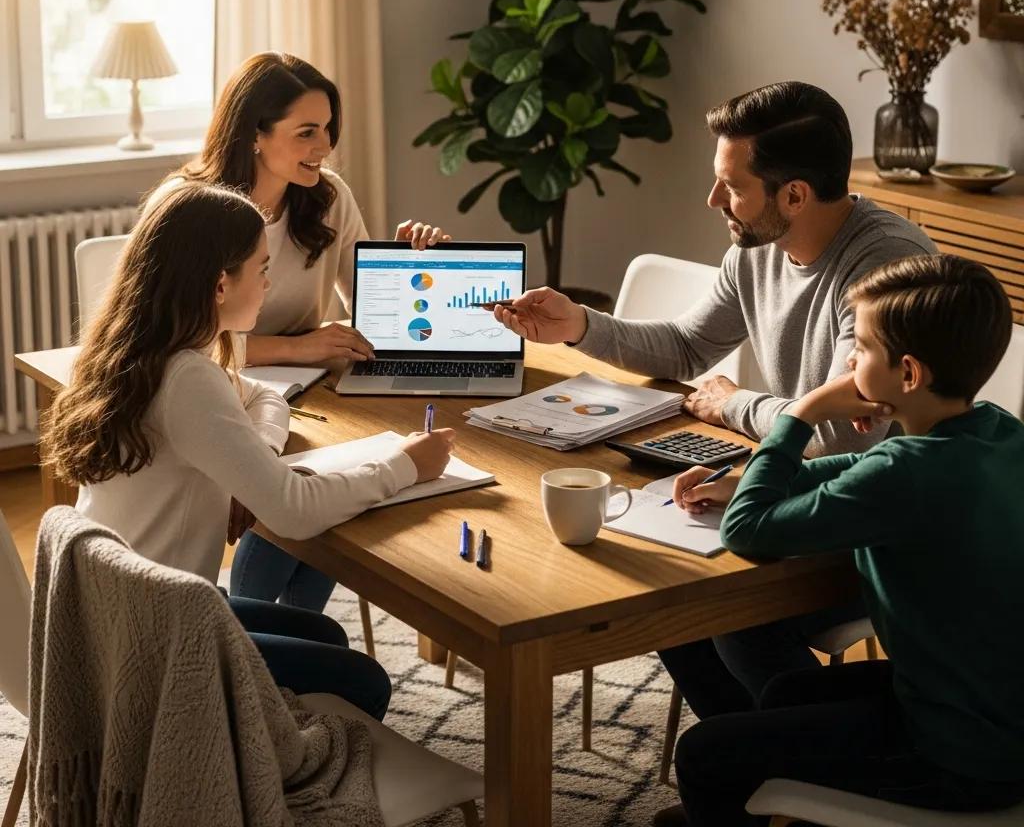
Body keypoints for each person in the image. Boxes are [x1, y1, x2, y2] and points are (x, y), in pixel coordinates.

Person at [492, 82, 937, 713]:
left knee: (730, 612)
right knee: (665, 585)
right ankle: (749, 755)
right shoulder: (760, 250)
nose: (713, 200)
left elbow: (839, 434)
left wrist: (733, 404)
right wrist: (580, 326)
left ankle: (808, 749)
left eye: (731, 186)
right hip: (798, 480)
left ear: (794, 195)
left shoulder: (887, 268)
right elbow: (685, 346)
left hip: (880, 527)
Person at [44, 181, 456, 720]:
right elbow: (293, 511)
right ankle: (256, 767)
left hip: (116, 608)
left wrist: (249, 456)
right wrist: (407, 464)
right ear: (221, 284)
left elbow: (263, 396)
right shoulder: (187, 378)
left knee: (325, 634)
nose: (268, 284)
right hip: (160, 633)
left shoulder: (143, 349)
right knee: (365, 681)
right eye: (262, 269)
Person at [656, 253, 1024, 825]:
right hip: (994, 714)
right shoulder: (997, 429)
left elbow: (747, 532)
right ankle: (751, 804)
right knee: (786, 695)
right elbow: (859, 470)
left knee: (703, 753)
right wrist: (747, 480)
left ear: (908, 374)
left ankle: (733, 797)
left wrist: (802, 414)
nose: (849, 359)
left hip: (959, 755)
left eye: (863, 347)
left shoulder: (903, 473)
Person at [152, 51, 452, 612]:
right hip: (217, 392)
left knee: (338, 476)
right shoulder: (193, 210)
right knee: (309, 487)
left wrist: (410, 272)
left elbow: (373, 316)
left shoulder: (328, 197)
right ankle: (254, 626)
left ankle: (280, 628)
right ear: (255, 134)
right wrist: (298, 346)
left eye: (329, 129)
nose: (325, 146)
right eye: (307, 132)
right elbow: (169, 340)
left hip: (309, 395)